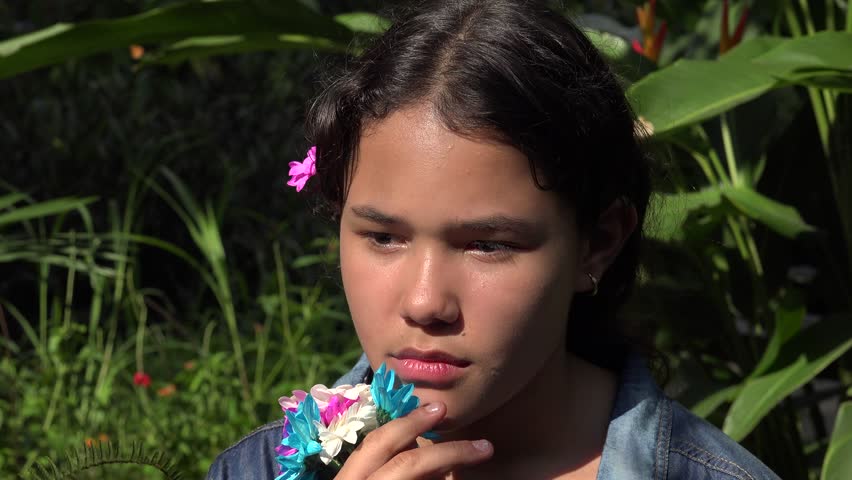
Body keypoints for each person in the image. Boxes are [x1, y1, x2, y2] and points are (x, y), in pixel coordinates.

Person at [207, 0, 780, 478]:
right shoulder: (254, 469)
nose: (425, 302)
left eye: (488, 245)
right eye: (383, 236)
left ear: (598, 243)